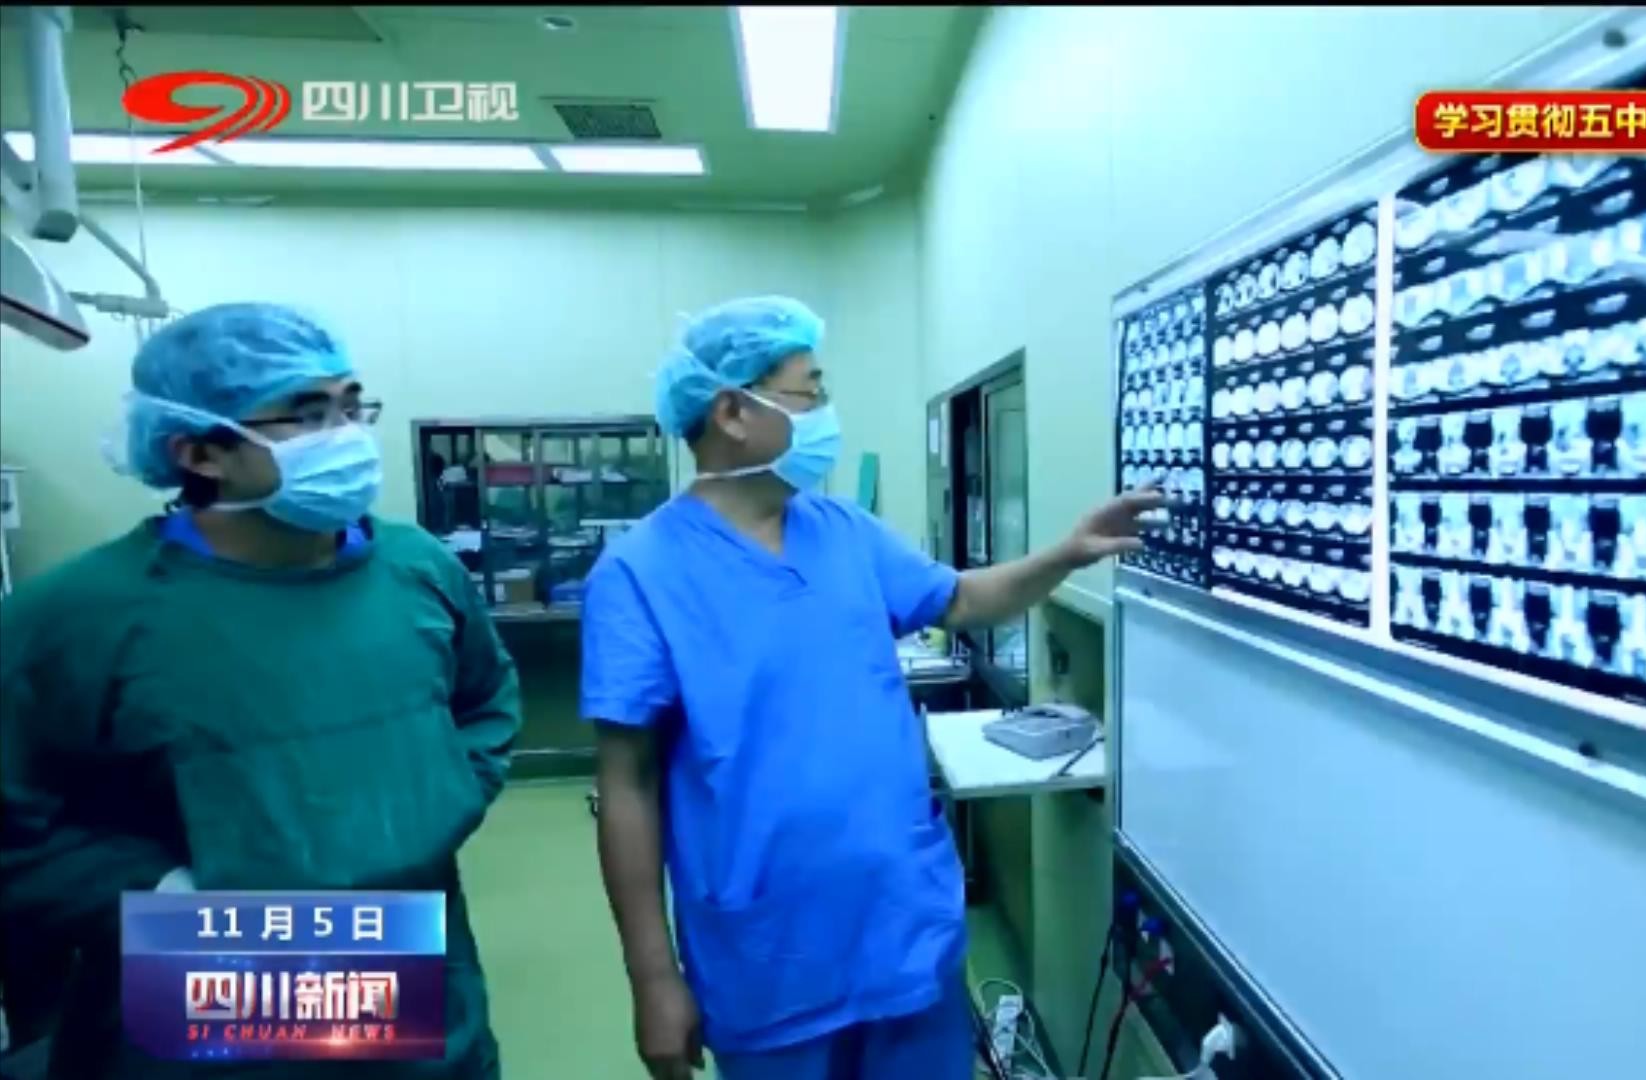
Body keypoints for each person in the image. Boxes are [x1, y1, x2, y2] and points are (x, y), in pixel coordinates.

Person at [585, 296, 1166, 1080]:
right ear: (732, 412)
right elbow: (627, 786)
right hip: (770, 963)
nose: (825, 411)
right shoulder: (640, 574)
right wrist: (652, 978)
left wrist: (1067, 554)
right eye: (810, 390)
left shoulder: (841, 532)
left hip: (904, 938)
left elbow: (960, 599)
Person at [0, 303, 522, 1079]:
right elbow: (17, 820)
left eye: (352, 406)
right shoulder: (80, 617)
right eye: (307, 415)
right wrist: (157, 894)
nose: (345, 435)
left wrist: (431, 800)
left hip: (411, 961)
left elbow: (485, 701)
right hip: (205, 972)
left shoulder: (416, 569)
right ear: (199, 452)